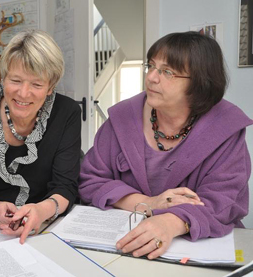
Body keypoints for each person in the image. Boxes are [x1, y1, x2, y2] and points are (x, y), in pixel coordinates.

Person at [79, 31, 252, 259]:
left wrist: (172, 222)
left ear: (200, 83)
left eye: (167, 72)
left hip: (199, 250)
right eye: (151, 66)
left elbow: (224, 201)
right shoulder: (122, 117)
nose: (151, 77)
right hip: (123, 245)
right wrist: (149, 203)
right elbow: (90, 180)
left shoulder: (225, 127)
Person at [0, 29, 81, 243]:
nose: (23, 93)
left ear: (50, 87)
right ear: (3, 78)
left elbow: (66, 186)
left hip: (44, 230)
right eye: (15, 80)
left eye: (36, 84)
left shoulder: (67, 113)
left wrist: (42, 210)